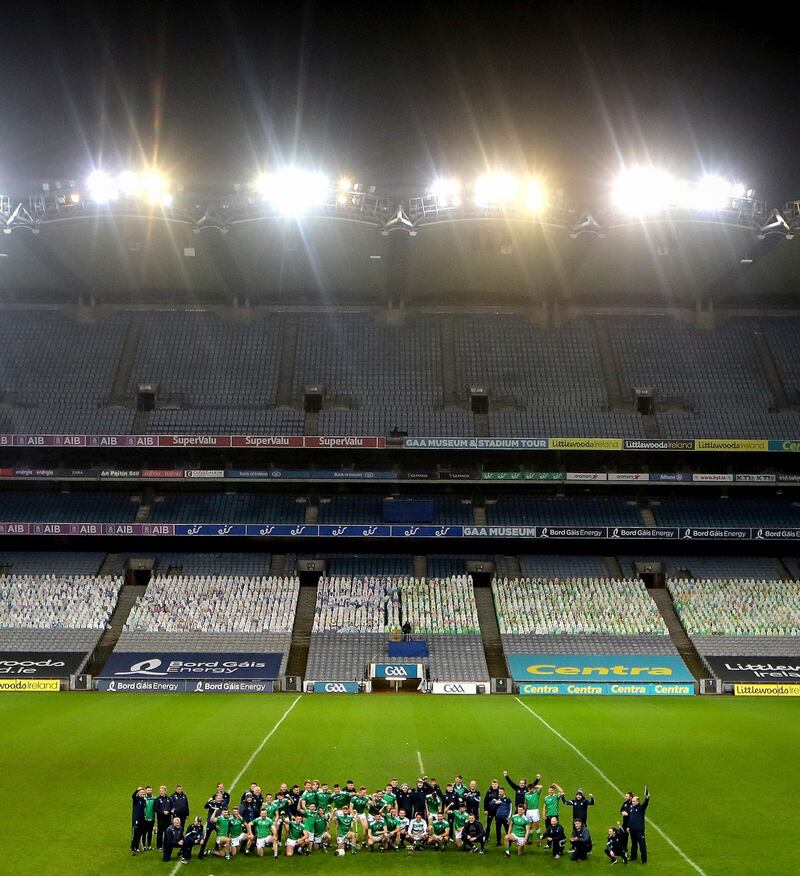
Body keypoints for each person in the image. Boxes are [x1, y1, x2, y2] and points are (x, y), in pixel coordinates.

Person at [199, 793, 225, 859]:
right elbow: (205, 806)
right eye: (218, 798)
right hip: (210, 824)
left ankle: (216, 850)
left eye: (220, 798)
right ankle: (201, 853)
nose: (219, 799)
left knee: (219, 837)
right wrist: (209, 801)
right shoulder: (212, 803)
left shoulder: (222, 805)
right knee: (205, 838)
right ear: (215, 798)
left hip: (218, 824)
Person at [627, 788, 650, 864]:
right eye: (632, 801)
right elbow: (630, 819)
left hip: (639, 830)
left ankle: (644, 860)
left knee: (642, 845)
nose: (632, 802)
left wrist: (647, 797)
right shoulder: (631, 808)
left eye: (634, 801)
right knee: (633, 844)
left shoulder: (641, 808)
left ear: (638, 801)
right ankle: (633, 857)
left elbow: (645, 803)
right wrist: (628, 827)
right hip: (632, 830)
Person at [155, 785, 173, 852]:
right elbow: (155, 809)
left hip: (168, 819)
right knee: (160, 833)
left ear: (165, 791)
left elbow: (173, 807)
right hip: (160, 819)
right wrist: (163, 812)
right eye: (160, 791)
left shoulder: (169, 799)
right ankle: (159, 846)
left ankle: (166, 844)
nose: (161, 792)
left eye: (162, 791)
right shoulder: (157, 800)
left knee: (167, 832)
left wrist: (171, 811)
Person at [131, 787, 147, 855]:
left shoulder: (144, 801)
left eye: (143, 793)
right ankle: (133, 848)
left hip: (142, 819)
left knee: (140, 834)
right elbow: (133, 796)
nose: (142, 793)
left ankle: (137, 847)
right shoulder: (136, 799)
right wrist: (137, 790)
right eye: (141, 792)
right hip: (136, 819)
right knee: (135, 833)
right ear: (139, 793)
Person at [141, 786, 155, 851]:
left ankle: (149, 845)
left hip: (152, 818)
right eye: (148, 790)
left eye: (150, 790)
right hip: (144, 819)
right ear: (146, 791)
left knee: (150, 832)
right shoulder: (143, 799)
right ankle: (143, 845)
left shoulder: (154, 798)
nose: (149, 791)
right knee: (144, 833)